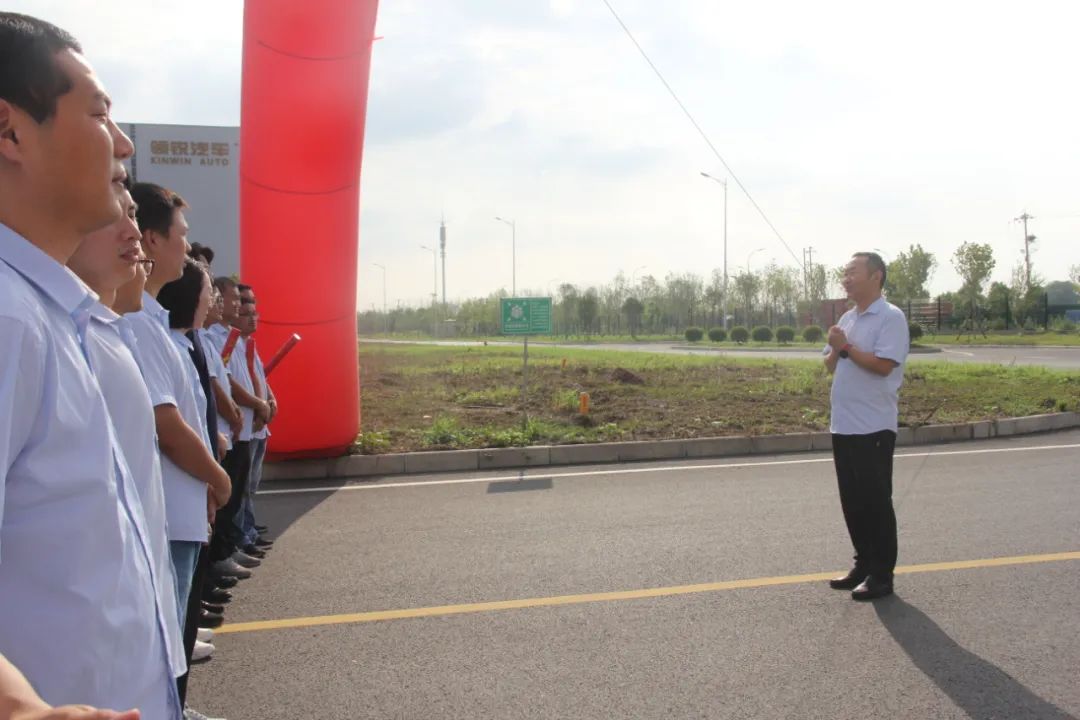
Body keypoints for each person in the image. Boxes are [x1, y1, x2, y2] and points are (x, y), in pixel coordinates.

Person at [0, 12, 179, 717]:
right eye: (100, 114)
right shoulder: (10, 319)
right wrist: (20, 707)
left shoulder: (60, 316)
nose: (124, 143)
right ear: (10, 130)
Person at [66, 187, 187, 684]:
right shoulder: (23, 325)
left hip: (124, 632)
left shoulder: (105, 331)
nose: (134, 235)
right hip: (82, 660)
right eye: (117, 211)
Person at [824, 252, 910, 601]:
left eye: (853, 272)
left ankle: (882, 575)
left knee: (876, 501)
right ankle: (862, 564)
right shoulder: (848, 317)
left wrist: (844, 347)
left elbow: (883, 365)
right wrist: (835, 348)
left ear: (876, 276)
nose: (846, 278)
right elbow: (830, 365)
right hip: (843, 426)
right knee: (853, 501)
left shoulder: (890, 317)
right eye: (844, 273)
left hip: (873, 427)